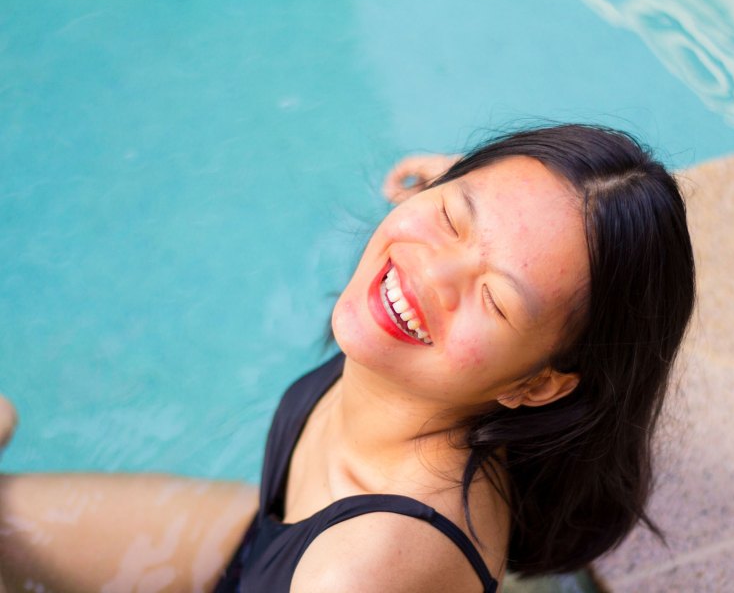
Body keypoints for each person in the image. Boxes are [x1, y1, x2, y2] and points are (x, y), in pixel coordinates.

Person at [0, 124, 695, 593]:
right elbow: (513, 227)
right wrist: (455, 185)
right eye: (455, 214)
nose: (431, 274)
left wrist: (465, 209)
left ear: (539, 384)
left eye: (494, 299)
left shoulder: (366, 568)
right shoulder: (459, 338)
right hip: (256, 542)